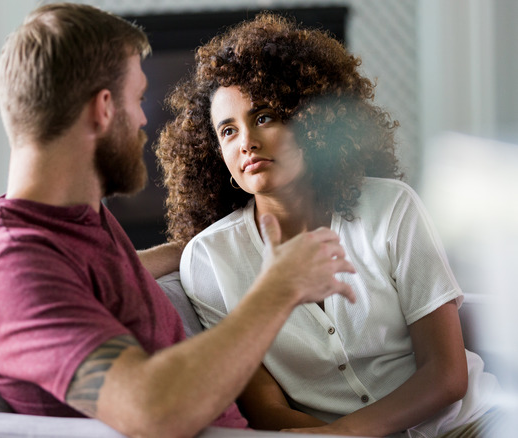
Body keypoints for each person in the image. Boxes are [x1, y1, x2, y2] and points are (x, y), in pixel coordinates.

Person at [0, 4, 358, 437]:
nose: (146, 120)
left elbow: (99, 279)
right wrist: (279, 288)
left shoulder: (73, 223)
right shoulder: (12, 265)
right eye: (139, 98)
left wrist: (199, 246)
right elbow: (152, 411)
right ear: (104, 108)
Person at [156, 13, 503, 438]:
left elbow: (448, 376)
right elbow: (265, 407)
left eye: (264, 116)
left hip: (470, 424)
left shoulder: (392, 207)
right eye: (227, 131)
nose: (245, 141)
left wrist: (345, 435)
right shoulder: (210, 260)